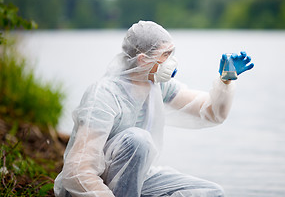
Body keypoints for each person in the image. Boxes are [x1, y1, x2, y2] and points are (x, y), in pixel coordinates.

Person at [54, 20, 254, 197]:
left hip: (137, 179)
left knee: (211, 193)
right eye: (166, 55)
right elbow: (78, 170)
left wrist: (226, 80)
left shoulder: (157, 85)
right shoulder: (104, 95)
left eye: (172, 53)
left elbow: (209, 111)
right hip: (94, 186)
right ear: (142, 60)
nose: (172, 61)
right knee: (137, 139)